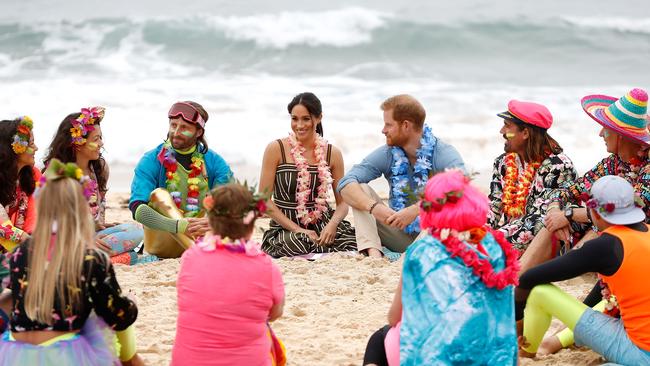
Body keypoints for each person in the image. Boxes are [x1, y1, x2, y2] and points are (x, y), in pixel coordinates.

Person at [363, 170, 518, 366]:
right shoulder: (498, 247)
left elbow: (395, 317)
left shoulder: (422, 251)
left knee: (380, 338)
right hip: (497, 358)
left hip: (439, 358)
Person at [0, 160, 140, 366]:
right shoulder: (90, 258)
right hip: (64, 353)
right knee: (115, 310)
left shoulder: (21, 253)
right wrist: (131, 304)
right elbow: (118, 316)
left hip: (16, 351)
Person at [516, 175, 650, 365]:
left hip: (640, 353)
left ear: (594, 213)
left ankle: (525, 351)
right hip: (636, 337)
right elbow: (603, 295)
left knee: (539, 292)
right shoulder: (647, 232)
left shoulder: (607, 245)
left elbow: (529, 278)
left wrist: (518, 323)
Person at [519, 88, 650, 274]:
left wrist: (569, 214)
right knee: (551, 225)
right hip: (607, 229)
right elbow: (567, 190)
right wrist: (555, 211)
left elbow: (631, 206)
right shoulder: (611, 164)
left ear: (620, 135)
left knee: (595, 232)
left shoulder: (647, 167)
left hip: (639, 237)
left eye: (605, 130)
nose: (600, 134)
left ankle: (563, 285)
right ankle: (515, 283)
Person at [172, 182, 286, 365]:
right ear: (251, 224)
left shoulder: (190, 257)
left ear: (210, 222)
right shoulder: (266, 266)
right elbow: (275, 313)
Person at [339, 95, 466, 258]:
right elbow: (345, 183)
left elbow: (463, 189)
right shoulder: (388, 153)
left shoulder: (443, 153)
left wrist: (415, 210)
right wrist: (375, 208)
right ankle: (373, 254)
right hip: (398, 233)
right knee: (360, 189)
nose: (383, 130)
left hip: (433, 236)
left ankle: (413, 255)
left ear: (405, 125)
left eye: (388, 124)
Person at [129, 101, 233, 258]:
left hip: (202, 235)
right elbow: (138, 210)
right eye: (173, 125)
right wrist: (179, 225)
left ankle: (198, 249)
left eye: (184, 128)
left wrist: (212, 220)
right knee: (159, 195)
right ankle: (198, 252)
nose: (176, 132)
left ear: (198, 132)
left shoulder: (214, 162)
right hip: (162, 241)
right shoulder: (151, 159)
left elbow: (234, 204)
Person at [43, 107, 145, 264]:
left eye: (101, 138)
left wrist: (99, 226)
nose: (101, 143)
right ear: (78, 143)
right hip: (64, 241)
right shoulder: (56, 174)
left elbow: (99, 207)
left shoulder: (100, 168)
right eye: (96, 139)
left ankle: (93, 259)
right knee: (131, 254)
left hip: (90, 236)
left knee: (136, 231)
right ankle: (98, 259)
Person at [260, 92, 356, 257]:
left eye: (306, 118)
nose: (299, 125)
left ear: (318, 118)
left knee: (357, 240)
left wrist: (332, 225)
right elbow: (263, 201)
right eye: (294, 118)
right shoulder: (276, 149)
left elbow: (342, 203)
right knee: (297, 243)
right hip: (287, 227)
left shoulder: (333, 153)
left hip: (323, 223)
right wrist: (298, 229)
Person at [488, 100, 577, 254]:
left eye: (507, 126)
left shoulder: (558, 166)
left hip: (544, 247)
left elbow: (540, 220)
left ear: (525, 133)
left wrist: (491, 240)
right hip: (508, 238)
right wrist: (477, 233)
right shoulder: (503, 162)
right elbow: (494, 205)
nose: (502, 131)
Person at [0, 116, 40, 331]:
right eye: (31, 143)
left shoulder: (32, 176)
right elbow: (3, 229)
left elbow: (34, 221)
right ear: (15, 147)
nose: (36, 148)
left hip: (17, 250)